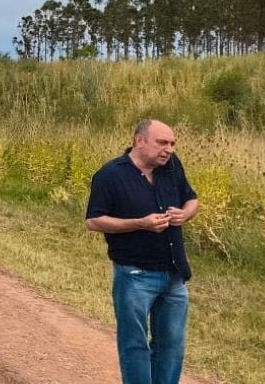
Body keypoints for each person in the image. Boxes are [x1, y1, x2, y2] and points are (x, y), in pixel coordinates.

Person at [86, 119, 199, 384]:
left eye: (172, 144)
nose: (169, 149)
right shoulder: (110, 175)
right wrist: (140, 223)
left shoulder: (171, 167)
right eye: (162, 143)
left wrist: (184, 213)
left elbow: (192, 199)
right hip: (135, 275)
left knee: (171, 346)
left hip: (174, 274)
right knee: (135, 345)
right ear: (139, 141)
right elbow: (93, 221)